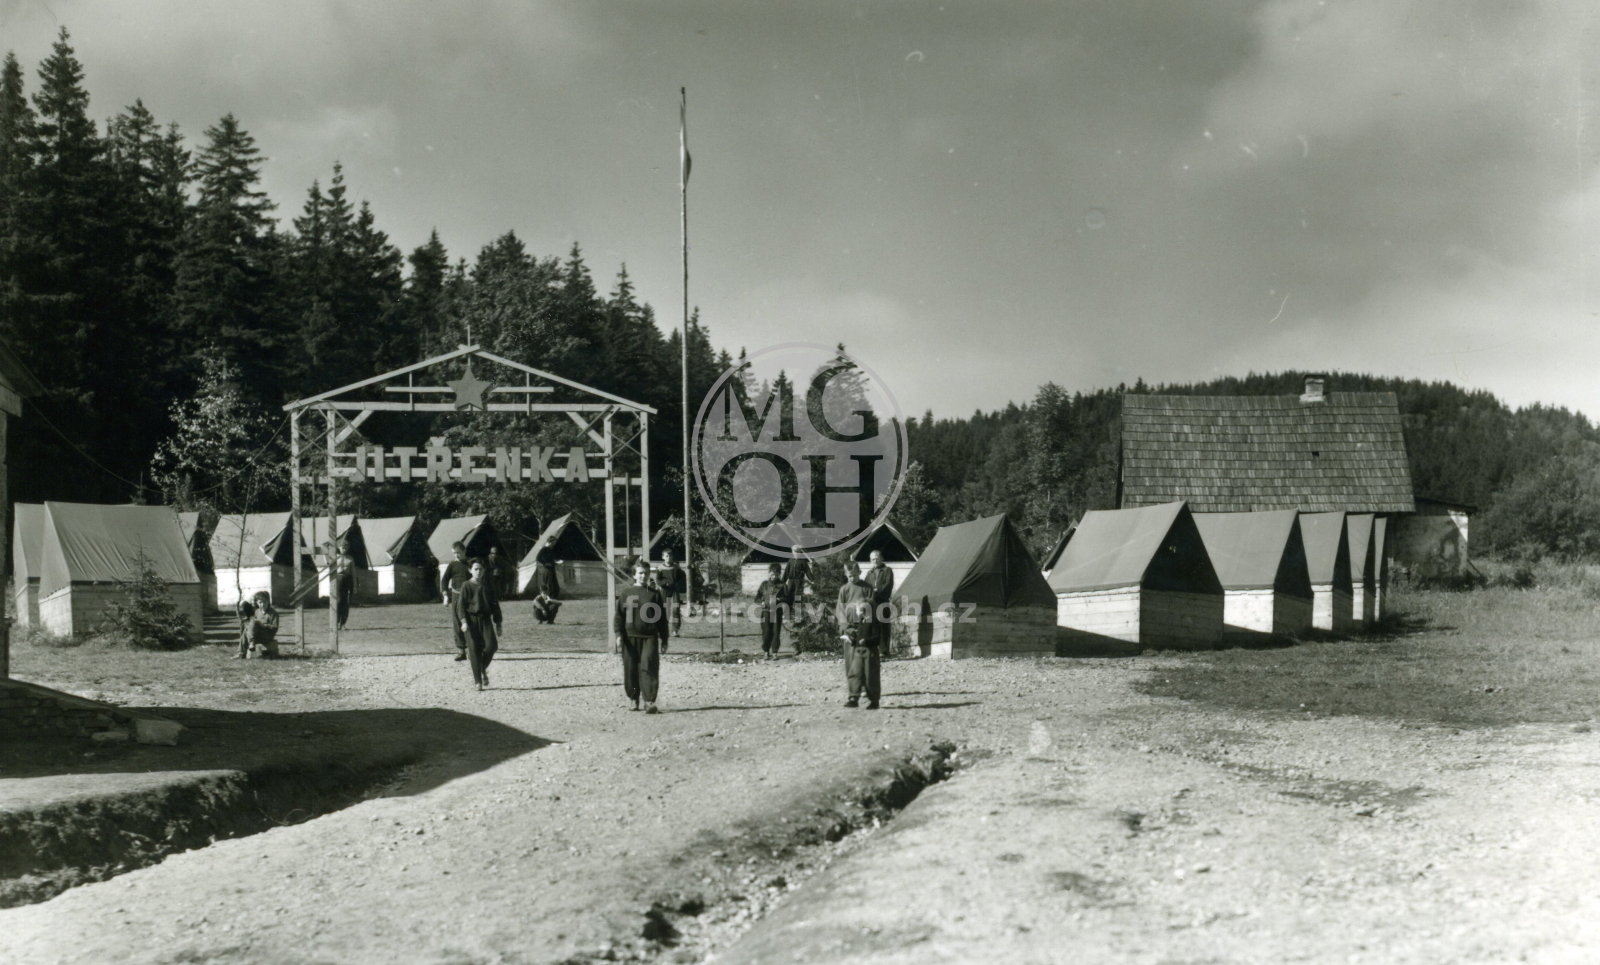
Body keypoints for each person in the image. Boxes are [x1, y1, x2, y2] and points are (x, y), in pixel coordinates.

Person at [615, 559, 669, 713]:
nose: (643, 576)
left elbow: (661, 620)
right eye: (640, 573)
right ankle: (633, 699)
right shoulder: (626, 594)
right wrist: (619, 635)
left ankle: (649, 701)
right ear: (634, 575)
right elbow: (619, 617)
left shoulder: (655, 595)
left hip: (649, 637)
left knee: (649, 667)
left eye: (646, 573)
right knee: (630, 669)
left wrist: (664, 639)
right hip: (629, 638)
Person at [837, 560, 879, 709]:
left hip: (864, 628)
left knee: (867, 661)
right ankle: (853, 690)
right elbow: (840, 611)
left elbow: (871, 606)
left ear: (859, 573)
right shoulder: (844, 589)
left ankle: (866, 689)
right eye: (849, 576)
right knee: (851, 660)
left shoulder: (867, 588)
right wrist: (847, 628)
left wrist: (866, 625)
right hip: (850, 630)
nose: (852, 579)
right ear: (845, 575)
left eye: (854, 575)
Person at [455, 558, 502, 690]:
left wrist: (498, 623)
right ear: (470, 570)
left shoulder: (488, 585)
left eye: (481, 569)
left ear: (484, 570)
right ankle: (478, 681)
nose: (478, 571)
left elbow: (495, 605)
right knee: (474, 649)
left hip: (485, 619)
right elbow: (460, 606)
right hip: (471, 621)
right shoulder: (466, 585)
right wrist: (463, 622)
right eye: (476, 569)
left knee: (492, 646)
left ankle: (481, 668)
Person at [441, 541, 473, 661]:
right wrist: (445, 595)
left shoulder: (471, 564)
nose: (457, 556)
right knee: (457, 623)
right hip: (455, 596)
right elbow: (444, 580)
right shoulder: (452, 565)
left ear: (464, 551)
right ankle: (461, 651)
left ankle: (472, 650)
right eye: (454, 553)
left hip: (469, 597)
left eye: (459, 553)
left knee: (470, 622)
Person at [863, 549, 896, 656]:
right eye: (873, 559)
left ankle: (884, 651)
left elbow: (887, 585)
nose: (875, 561)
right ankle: (875, 650)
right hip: (872, 603)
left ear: (881, 558)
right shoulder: (869, 573)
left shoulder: (887, 571)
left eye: (877, 558)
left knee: (884, 626)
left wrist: (876, 590)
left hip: (883, 601)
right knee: (873, 626)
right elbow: (866, 587)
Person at [754, 562, 787, 660]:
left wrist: (779, 600)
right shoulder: (764, 585)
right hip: (766, 611)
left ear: (779, 574)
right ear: (769, 573)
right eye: (772, 574)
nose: (774, 576)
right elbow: (757, 598)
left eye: (776, 575)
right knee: (766, 631)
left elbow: (787, 598)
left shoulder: (782, 585)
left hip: (776, 612)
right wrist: (761, 602)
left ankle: (775, 652)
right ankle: (766, 651)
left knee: (776, 632)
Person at [655, 549, 687, 636]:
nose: (668, 558)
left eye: (670, 556)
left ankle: (675, 630)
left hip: (674, 590)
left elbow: (683, 577)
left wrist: (677, 584)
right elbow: (658, 579)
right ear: (663, 557)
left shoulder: (676, 567)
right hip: (665, 590)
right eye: (666, 556)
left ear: (672, 557)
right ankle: (662, 629)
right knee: (664, 609)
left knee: (675, 609)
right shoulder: (660, 568)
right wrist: (664, 584)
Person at [782, 546, 812, 629]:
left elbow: (808, 572)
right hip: (791, 582)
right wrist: (782, 582)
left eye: (798, 552)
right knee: (788, 599)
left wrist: (813, 580)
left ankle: (798, 618)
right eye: (794, 552)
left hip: (799, 582)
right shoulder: (790, 561)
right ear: (792, 552)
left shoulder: (803, 562)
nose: (796, 554)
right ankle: (787, 617)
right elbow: (786, 573)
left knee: (798, 599)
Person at [331, 539, 356, 631]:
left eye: (346, 548)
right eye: (342, 547)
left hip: (348, 580)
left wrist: (355, 585)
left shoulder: (350, 558)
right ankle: (336, 623)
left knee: (346, 603)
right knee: (338, 601)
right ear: (339, 547)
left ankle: (343, 624)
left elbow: (353, 573)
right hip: (338, 580)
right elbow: (328, 563)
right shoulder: (335, 557)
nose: (344, 549)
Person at [246, 591, 280, 659]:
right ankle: (241, 653)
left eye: (265, 602)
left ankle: (252, 643)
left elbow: (275, 628)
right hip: (258, 635)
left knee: (253, 622)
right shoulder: (257, 611)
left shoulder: (273, 613)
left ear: (268, 601)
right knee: (246, 630)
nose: (263, 604)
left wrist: (264, 626)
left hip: (267, 636)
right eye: (260, 602)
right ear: (257, 603)